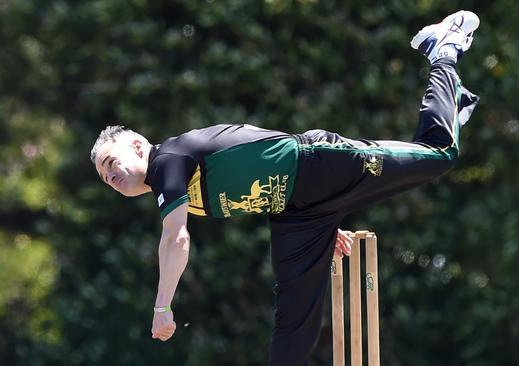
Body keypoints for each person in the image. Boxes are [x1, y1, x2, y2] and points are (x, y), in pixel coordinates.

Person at [90, 10, 480, 366]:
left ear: (139, 145)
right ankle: (451, 96)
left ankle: (443, 51)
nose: (113, 177)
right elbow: (252, 185)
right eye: (106, 179)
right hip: (299, 213)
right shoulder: (176, 186)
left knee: (438, 154)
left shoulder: (167, 162)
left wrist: (162, 307)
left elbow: (176, 239)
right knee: (293, 325)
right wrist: (325, 220)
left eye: (112, 164)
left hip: (319, 162)